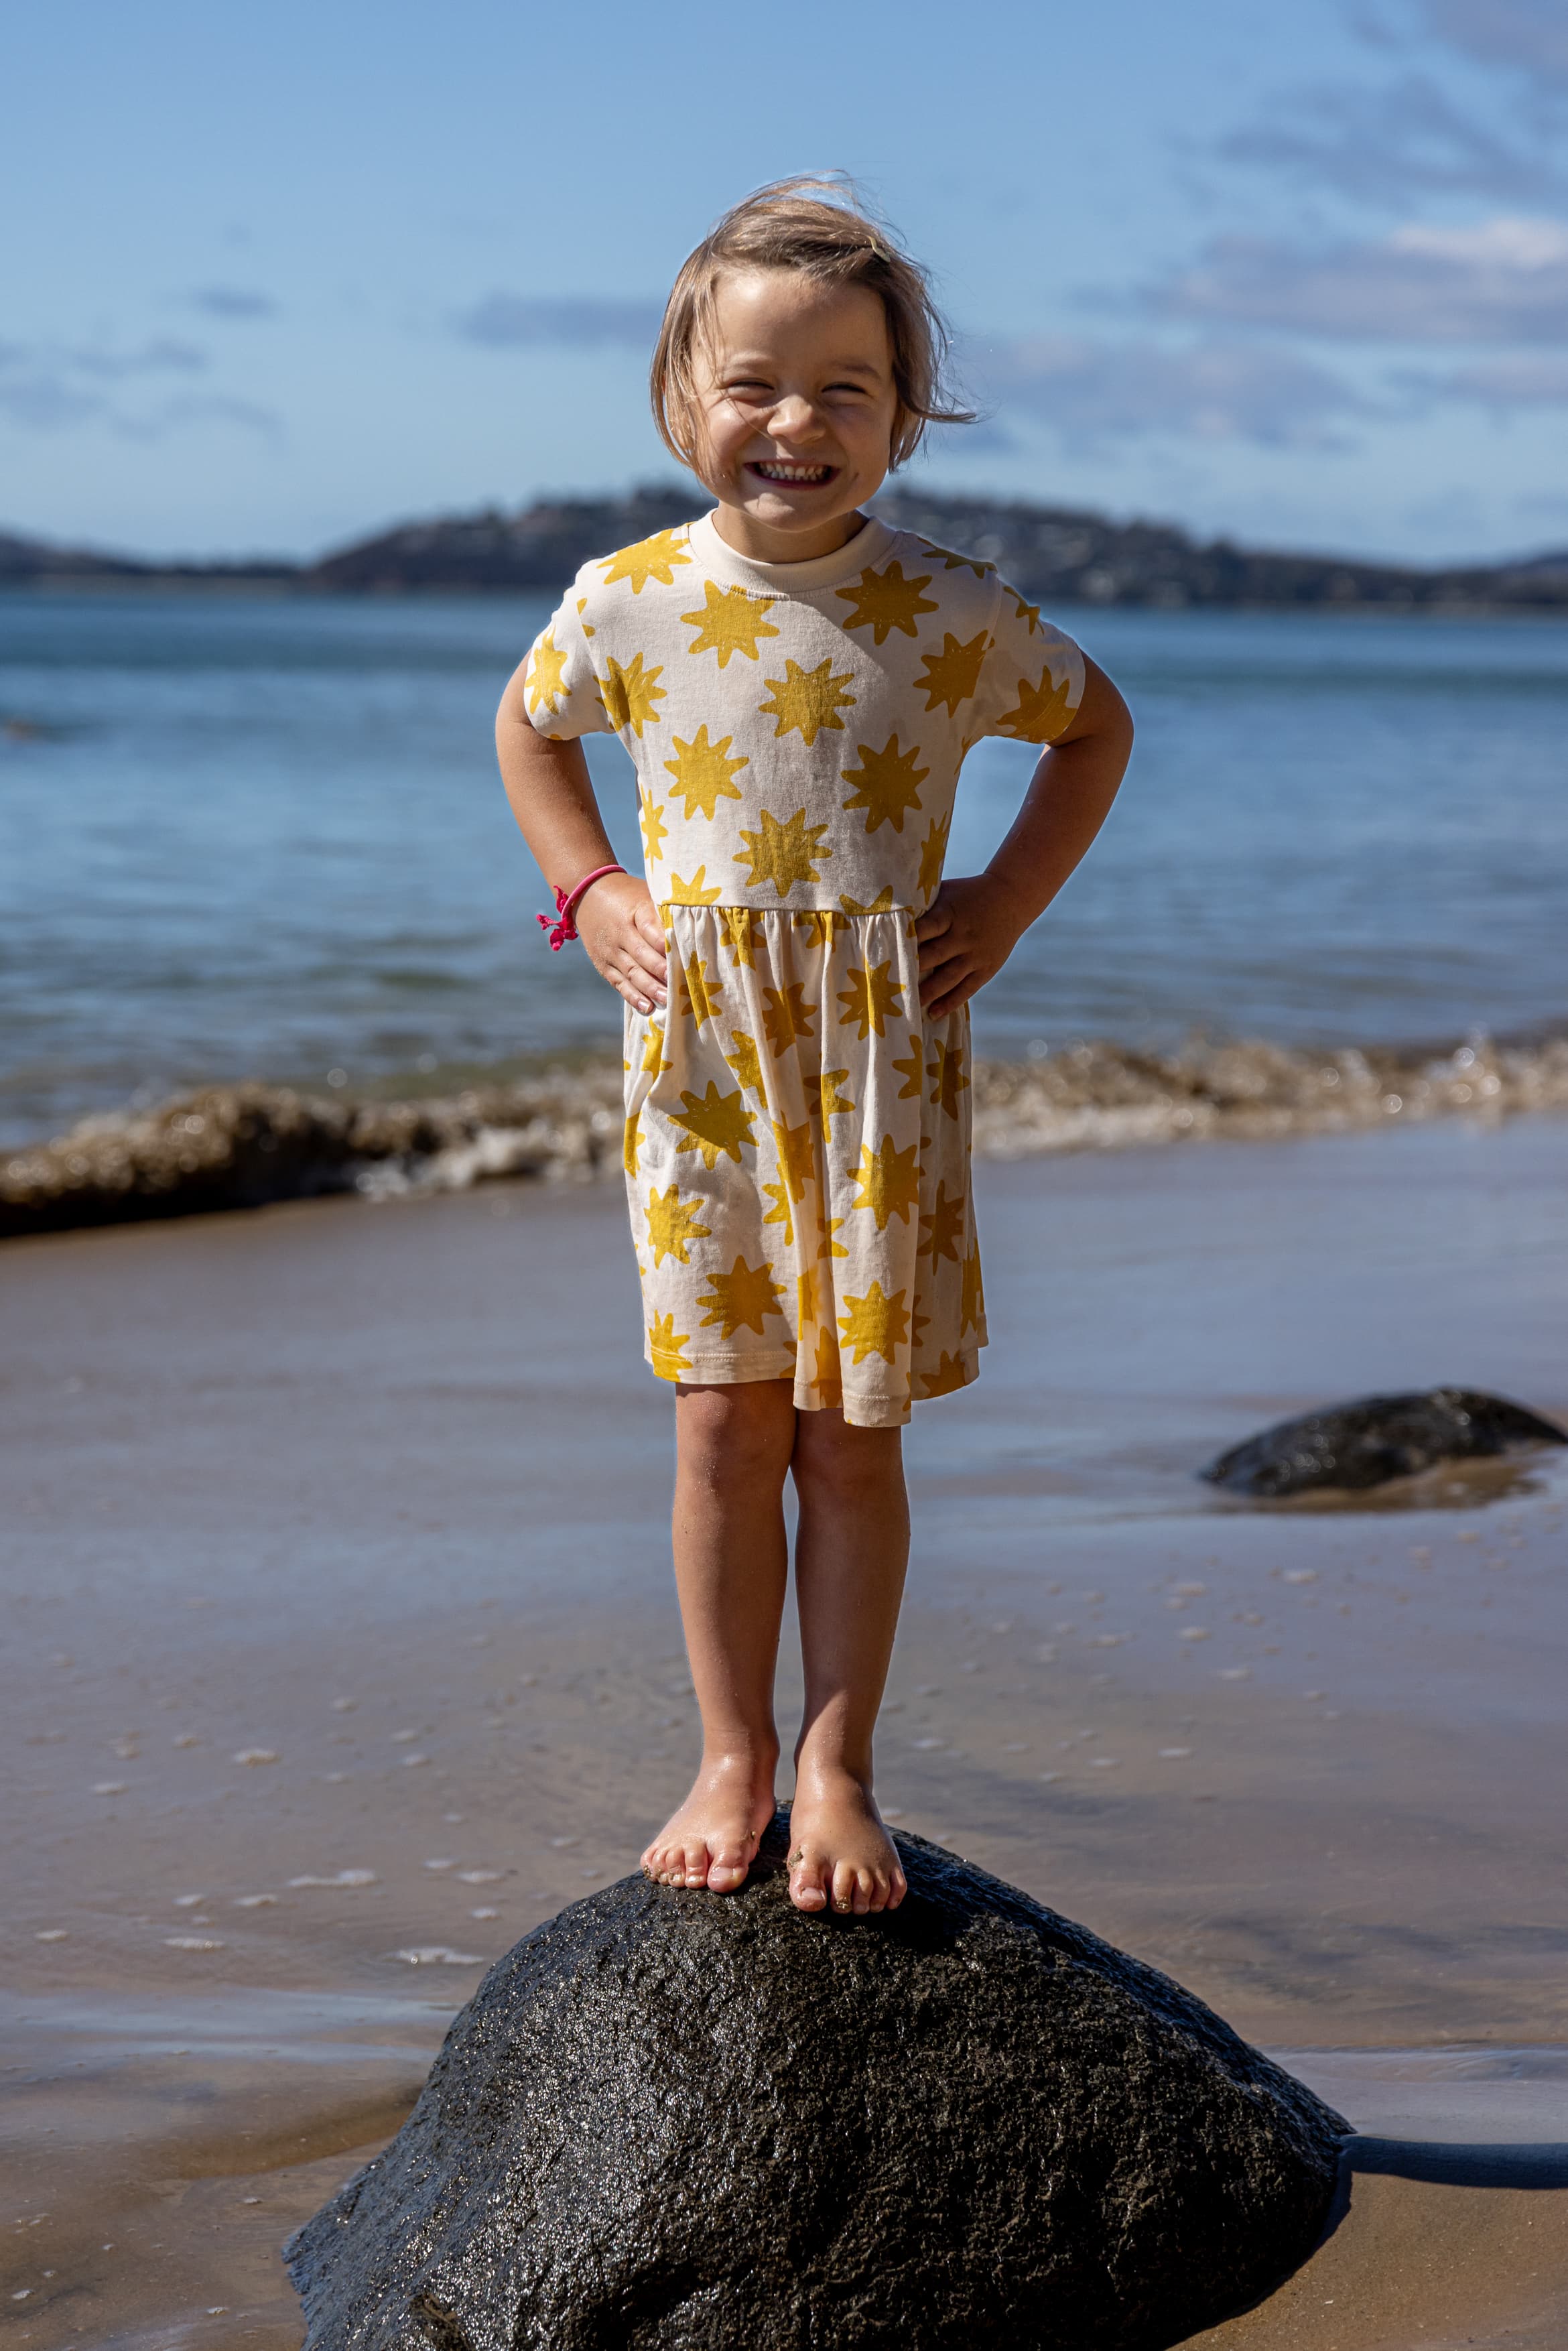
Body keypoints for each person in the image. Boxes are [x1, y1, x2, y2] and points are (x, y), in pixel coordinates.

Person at [497, 177, 1132, 1919]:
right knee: (721, 1418)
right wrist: (590, 888)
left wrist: (999, 905)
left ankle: (839, 1762)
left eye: (842, 388)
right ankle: (728, 1752)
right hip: (699, 1057)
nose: (792, 423)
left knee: (849, 1434)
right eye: (753, 384)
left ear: (901, 415)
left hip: (874, 1067)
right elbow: (529, 725)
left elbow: (1092, 728)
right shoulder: (626, 599)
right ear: (682, 399)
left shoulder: (945, 610)